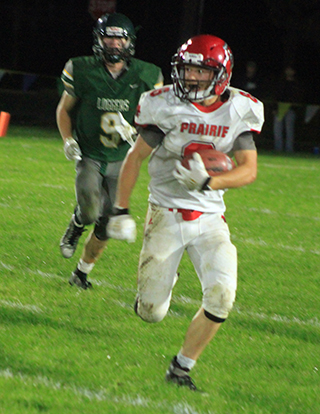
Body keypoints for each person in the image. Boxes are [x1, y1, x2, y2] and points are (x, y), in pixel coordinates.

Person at [107, 35, 264, 390]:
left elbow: (249, 169)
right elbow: (135, 158)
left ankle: (181, 368)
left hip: (210, 218)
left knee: (222, 295)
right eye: (187, 68)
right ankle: (162, 284)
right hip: (166, 211)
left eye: (199, 70)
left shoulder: (239, 108)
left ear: (221, 74)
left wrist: (211, 182)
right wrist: (120, 209)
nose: (190, 77)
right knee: (151, 313)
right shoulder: (164, 105)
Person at [56, 12, 163, 289]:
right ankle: (77, 224)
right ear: (98, 39)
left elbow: (156, 118)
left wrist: (138, 131)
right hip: (90, 154)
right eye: (108, 37)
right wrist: (68, 140)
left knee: (107, 225)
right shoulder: (81, 69)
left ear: (129, 42)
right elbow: (64, 111)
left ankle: (81, 274)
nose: (114, 44)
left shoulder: (147, 75)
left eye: (119, 38)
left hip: (123, 159)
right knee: (91, 211)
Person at [273, 65, 304, 153]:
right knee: (277, 129)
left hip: (291, 108)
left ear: (293, 72)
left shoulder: (296, 84)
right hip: (279, 108)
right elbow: (276, 95)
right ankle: (278, 148)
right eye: (287, 70)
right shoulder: (281, 82)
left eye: (291, 70)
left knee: (289, 130)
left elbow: (298, 97)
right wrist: (275, 108)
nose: (289, 72)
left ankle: (289, 149)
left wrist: (294, 108)